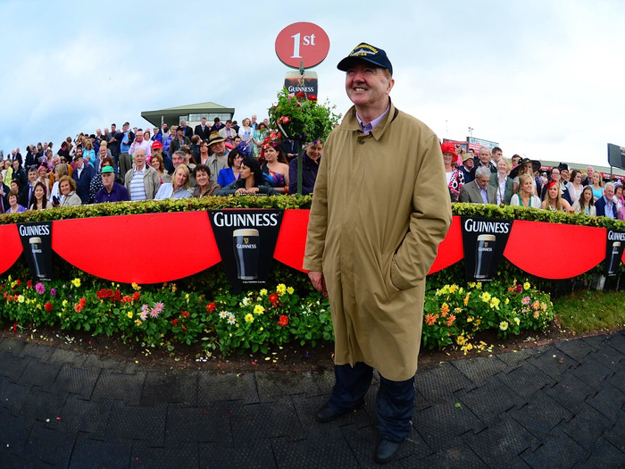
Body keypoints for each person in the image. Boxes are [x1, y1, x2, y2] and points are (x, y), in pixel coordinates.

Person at [303, 43, 452, 464]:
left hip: (390, 275)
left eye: (369, 70)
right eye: (351, 71)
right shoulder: (336, 137)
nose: (358, 78)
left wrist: (399, 272)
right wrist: (316, 260)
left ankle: (394, 424)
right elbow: (322, 205)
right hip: (343, 269)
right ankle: (347, 397)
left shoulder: (419, 138)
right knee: (348, 338)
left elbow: (434, 218)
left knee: (394, 353)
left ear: (390, 82)